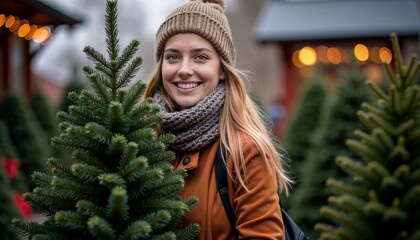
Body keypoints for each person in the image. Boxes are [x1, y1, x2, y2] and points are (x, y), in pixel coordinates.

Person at [145, 0, 292, 239]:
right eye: (172, 57)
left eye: (200, 57)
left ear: (221, 69)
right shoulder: (142, 140)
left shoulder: (246, 153)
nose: (184, 69)